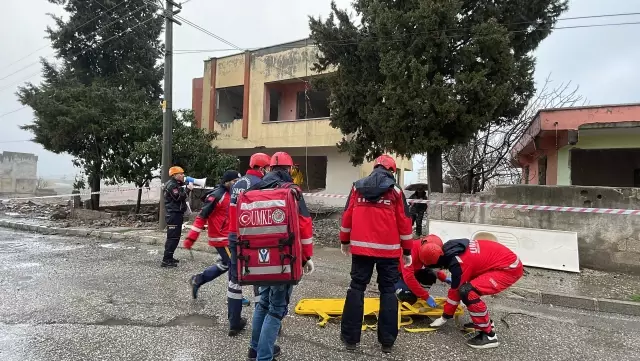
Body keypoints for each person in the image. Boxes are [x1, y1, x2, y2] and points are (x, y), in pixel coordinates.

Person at [338, 154, 414, 354]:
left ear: (374, 168)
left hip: (361, 250)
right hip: (388, 252)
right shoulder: (396, 191)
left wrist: (345, 241)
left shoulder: (357, 187)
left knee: (356, 288)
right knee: (388, 291)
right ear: (391, 170)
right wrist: (407, 250)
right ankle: (387, 343)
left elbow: (347, 216)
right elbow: (405, 223)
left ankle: (350, 340)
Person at [243, 151, 314, 361]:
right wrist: (306, 257)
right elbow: (304, 225)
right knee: (277, 308)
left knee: (263, 303)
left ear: (269, 169)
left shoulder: (255, 188)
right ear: (290, 169)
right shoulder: (291, 191)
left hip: (258, 257)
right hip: (284, 258)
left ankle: (254, 349)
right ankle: (264, 356)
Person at [419, 237, 524, 349]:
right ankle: (485, 323)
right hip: (503, 262)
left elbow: (455, 292)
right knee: (466, 289)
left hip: (508, 269)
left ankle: (489, 336)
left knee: (467, 292)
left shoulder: (458, 263)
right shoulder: (452, 248)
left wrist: (444, 317)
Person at [185, 170, 250, 304]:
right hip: (222, 238)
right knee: (234, 265)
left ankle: (197, 280)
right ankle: (235, 296)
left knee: (225, 264)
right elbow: (201, 216)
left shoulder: (233, 194)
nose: (237, 184)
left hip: (231, 237)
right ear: (226, 182)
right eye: (234, 181)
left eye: (238, 181)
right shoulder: (216, 196)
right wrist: (191, 238)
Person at [226, 153, 272, 337]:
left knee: (235, 280)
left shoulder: (238, 183)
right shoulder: (261, 184)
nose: (269, 171)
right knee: (259, 279)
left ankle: (234, 322)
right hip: (253, 237)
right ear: (261, 168)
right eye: (267, 168)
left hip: (233, 234)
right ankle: (262, 323)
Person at [395, 235, 451, 306]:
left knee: (430, 276)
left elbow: (432, 266)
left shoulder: (427, 248)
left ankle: (417, 293)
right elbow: (409, 278)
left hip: (410, 272)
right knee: (409, 298)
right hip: (395, 275)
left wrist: (444, 278)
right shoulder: (408, 254)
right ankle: (397, 291)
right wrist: (426, 297)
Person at [161, 166, 193, 268]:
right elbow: (178, 197)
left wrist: (186, 186)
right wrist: (187, 190)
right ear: (174, 175)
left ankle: (170, 257)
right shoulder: (171, 185)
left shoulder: (176, 184)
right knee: (172, 238)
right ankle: (166, 260)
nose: (183, 175)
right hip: (173, 214)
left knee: (176, 237)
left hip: (177, 214)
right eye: (181, 173)